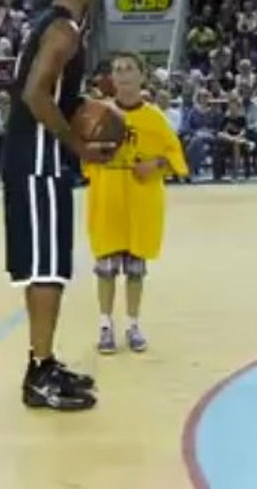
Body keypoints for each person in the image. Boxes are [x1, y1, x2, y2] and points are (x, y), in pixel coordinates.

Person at [2, 0, 114, 412]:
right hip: (38, 162)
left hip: (34, 160)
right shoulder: (64, 31)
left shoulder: (48, 24)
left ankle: (43, 362)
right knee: (47, 269)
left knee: (46, 267)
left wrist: (83, 104)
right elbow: (34, 94)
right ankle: (39, 375)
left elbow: (52, 93)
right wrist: (78, 144)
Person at [83, 52, 189, 354]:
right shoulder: (99, 113)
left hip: (141, 200)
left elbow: (176, 158)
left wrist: (155, 165)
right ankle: (105, 324)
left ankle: (133, 324)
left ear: (142, 76)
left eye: (129, 69)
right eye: (117, 70)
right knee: (105, 267)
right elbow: (84, 156)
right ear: (111, 78)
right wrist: (100, 150)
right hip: (108, 198)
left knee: (135, 268)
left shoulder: (155, 117)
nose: (123, 75)